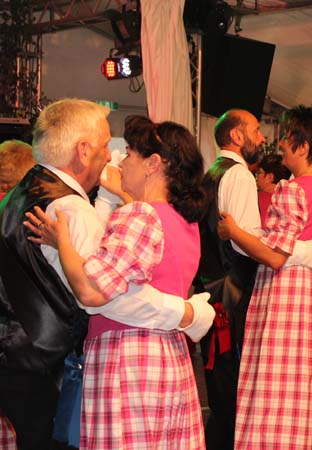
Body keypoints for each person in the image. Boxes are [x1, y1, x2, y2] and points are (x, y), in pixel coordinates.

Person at [0, 99, 209, 450]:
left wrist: (64, 243)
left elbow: (95, 293)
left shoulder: (26, 197)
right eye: (107, 147)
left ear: (153, 164)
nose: (116, 158)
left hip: (125, 359)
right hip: (164, 356)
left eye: (128, 153)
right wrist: (189, 313)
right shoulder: (183, 221)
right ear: (82, 150)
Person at [218, 105, 312, 450]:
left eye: (288, 138)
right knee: (300, 387)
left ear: (303, 147)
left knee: (271, 386)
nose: (281, 145)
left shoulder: (292, 190)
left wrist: (234, 231)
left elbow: (275, 256)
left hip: (285, 296)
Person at [255, 153, 291, 223]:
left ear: (270, 177)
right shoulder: (290, 200)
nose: (257, 177)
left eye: (259, 173)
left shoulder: (256, 198)